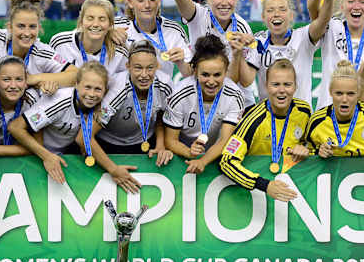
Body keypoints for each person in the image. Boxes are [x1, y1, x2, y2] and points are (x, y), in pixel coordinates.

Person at [10, 62, 140, 192]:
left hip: (62, 156)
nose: (92, 94)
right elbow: (15, 127)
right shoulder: (61, 101)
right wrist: (47, 156)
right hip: (37, 156)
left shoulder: (98, 106)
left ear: (105, 91)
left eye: (98, 89)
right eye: (87, 87)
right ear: (76, 85)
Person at [164, 0, 255, 101]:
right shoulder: (199, 15)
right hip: (202, 96)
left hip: (236, 100)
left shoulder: (243, 27)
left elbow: (241, 80)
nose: (224, 3)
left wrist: (238, 54)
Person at [220, 59, 313, 200]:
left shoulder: (304, 111)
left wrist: (306, 149)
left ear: (295, 86)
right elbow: (226, 162)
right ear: (266, 86)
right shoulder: (253, 119)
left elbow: (312, 145)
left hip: (293, 192)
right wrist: (264, 185)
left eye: (287, 84)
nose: (281, 90)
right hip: (255, 196)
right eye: (275, 84)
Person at [162, 35, 245, 174]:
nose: (211, 82)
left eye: (217, 75)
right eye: (205, 75)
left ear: (226, 72)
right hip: (182, 155)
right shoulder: (180, 94)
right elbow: (170, 140)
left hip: (217, 155)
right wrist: (189, 152)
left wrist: (203, 161)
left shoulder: (235, 96)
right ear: (195, 72)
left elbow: (225, 140)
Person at [240, 0, 333, 107]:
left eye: (282, 9)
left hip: (301, 116)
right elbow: (246, 81)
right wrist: (238, 52)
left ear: (291, 16)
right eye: (270, 10)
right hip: (268, 116)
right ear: (263, 17)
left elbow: (322, 21)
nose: (276, 14)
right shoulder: (258, 41)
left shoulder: (303, 36)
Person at [97, 42, 173, 159]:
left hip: (145, 140)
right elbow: (87, 135)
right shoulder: (117, 88)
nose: (144, 75)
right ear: (128, 66)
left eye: (150, 68)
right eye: (138, 68)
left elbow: (162, 116)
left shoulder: (165, 84)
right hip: (108, 142)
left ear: (157, 66)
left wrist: (160, 145)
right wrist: (113, 167)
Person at [113, 0, 192, 78]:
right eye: (141, 0)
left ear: (159, 1)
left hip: (163, 88)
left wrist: (181, 63)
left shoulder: (174, 30)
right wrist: (107, 35)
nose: (147, 5)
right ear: (130, 3)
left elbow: (191, 74)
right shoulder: (116, 26)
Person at [50, 0, 128, 74]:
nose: (95, 24)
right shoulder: (60, 43)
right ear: (81, 21)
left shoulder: (120, 53)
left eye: (102, 19)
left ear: (110, 24)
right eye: (90, 18)